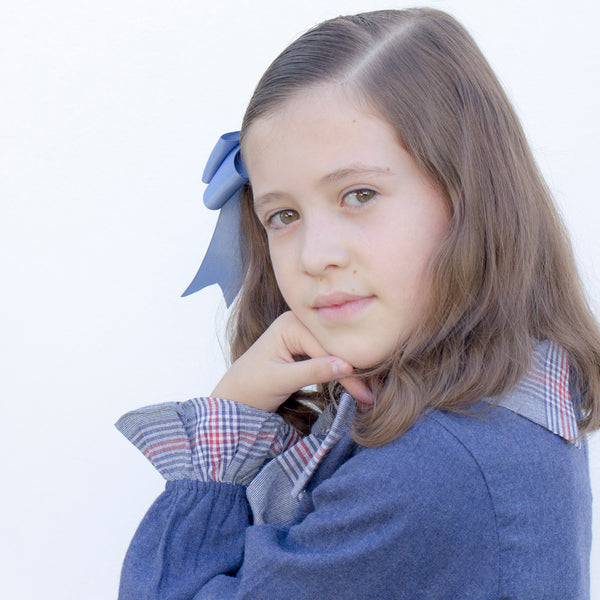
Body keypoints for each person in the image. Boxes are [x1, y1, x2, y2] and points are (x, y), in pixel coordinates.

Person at [115, 8, 600, 599]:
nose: (315, 256)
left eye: (359, 194)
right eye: (284, 215)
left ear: (470, 196)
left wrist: (228, 422)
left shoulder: (429, 473)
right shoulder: (503, 402)